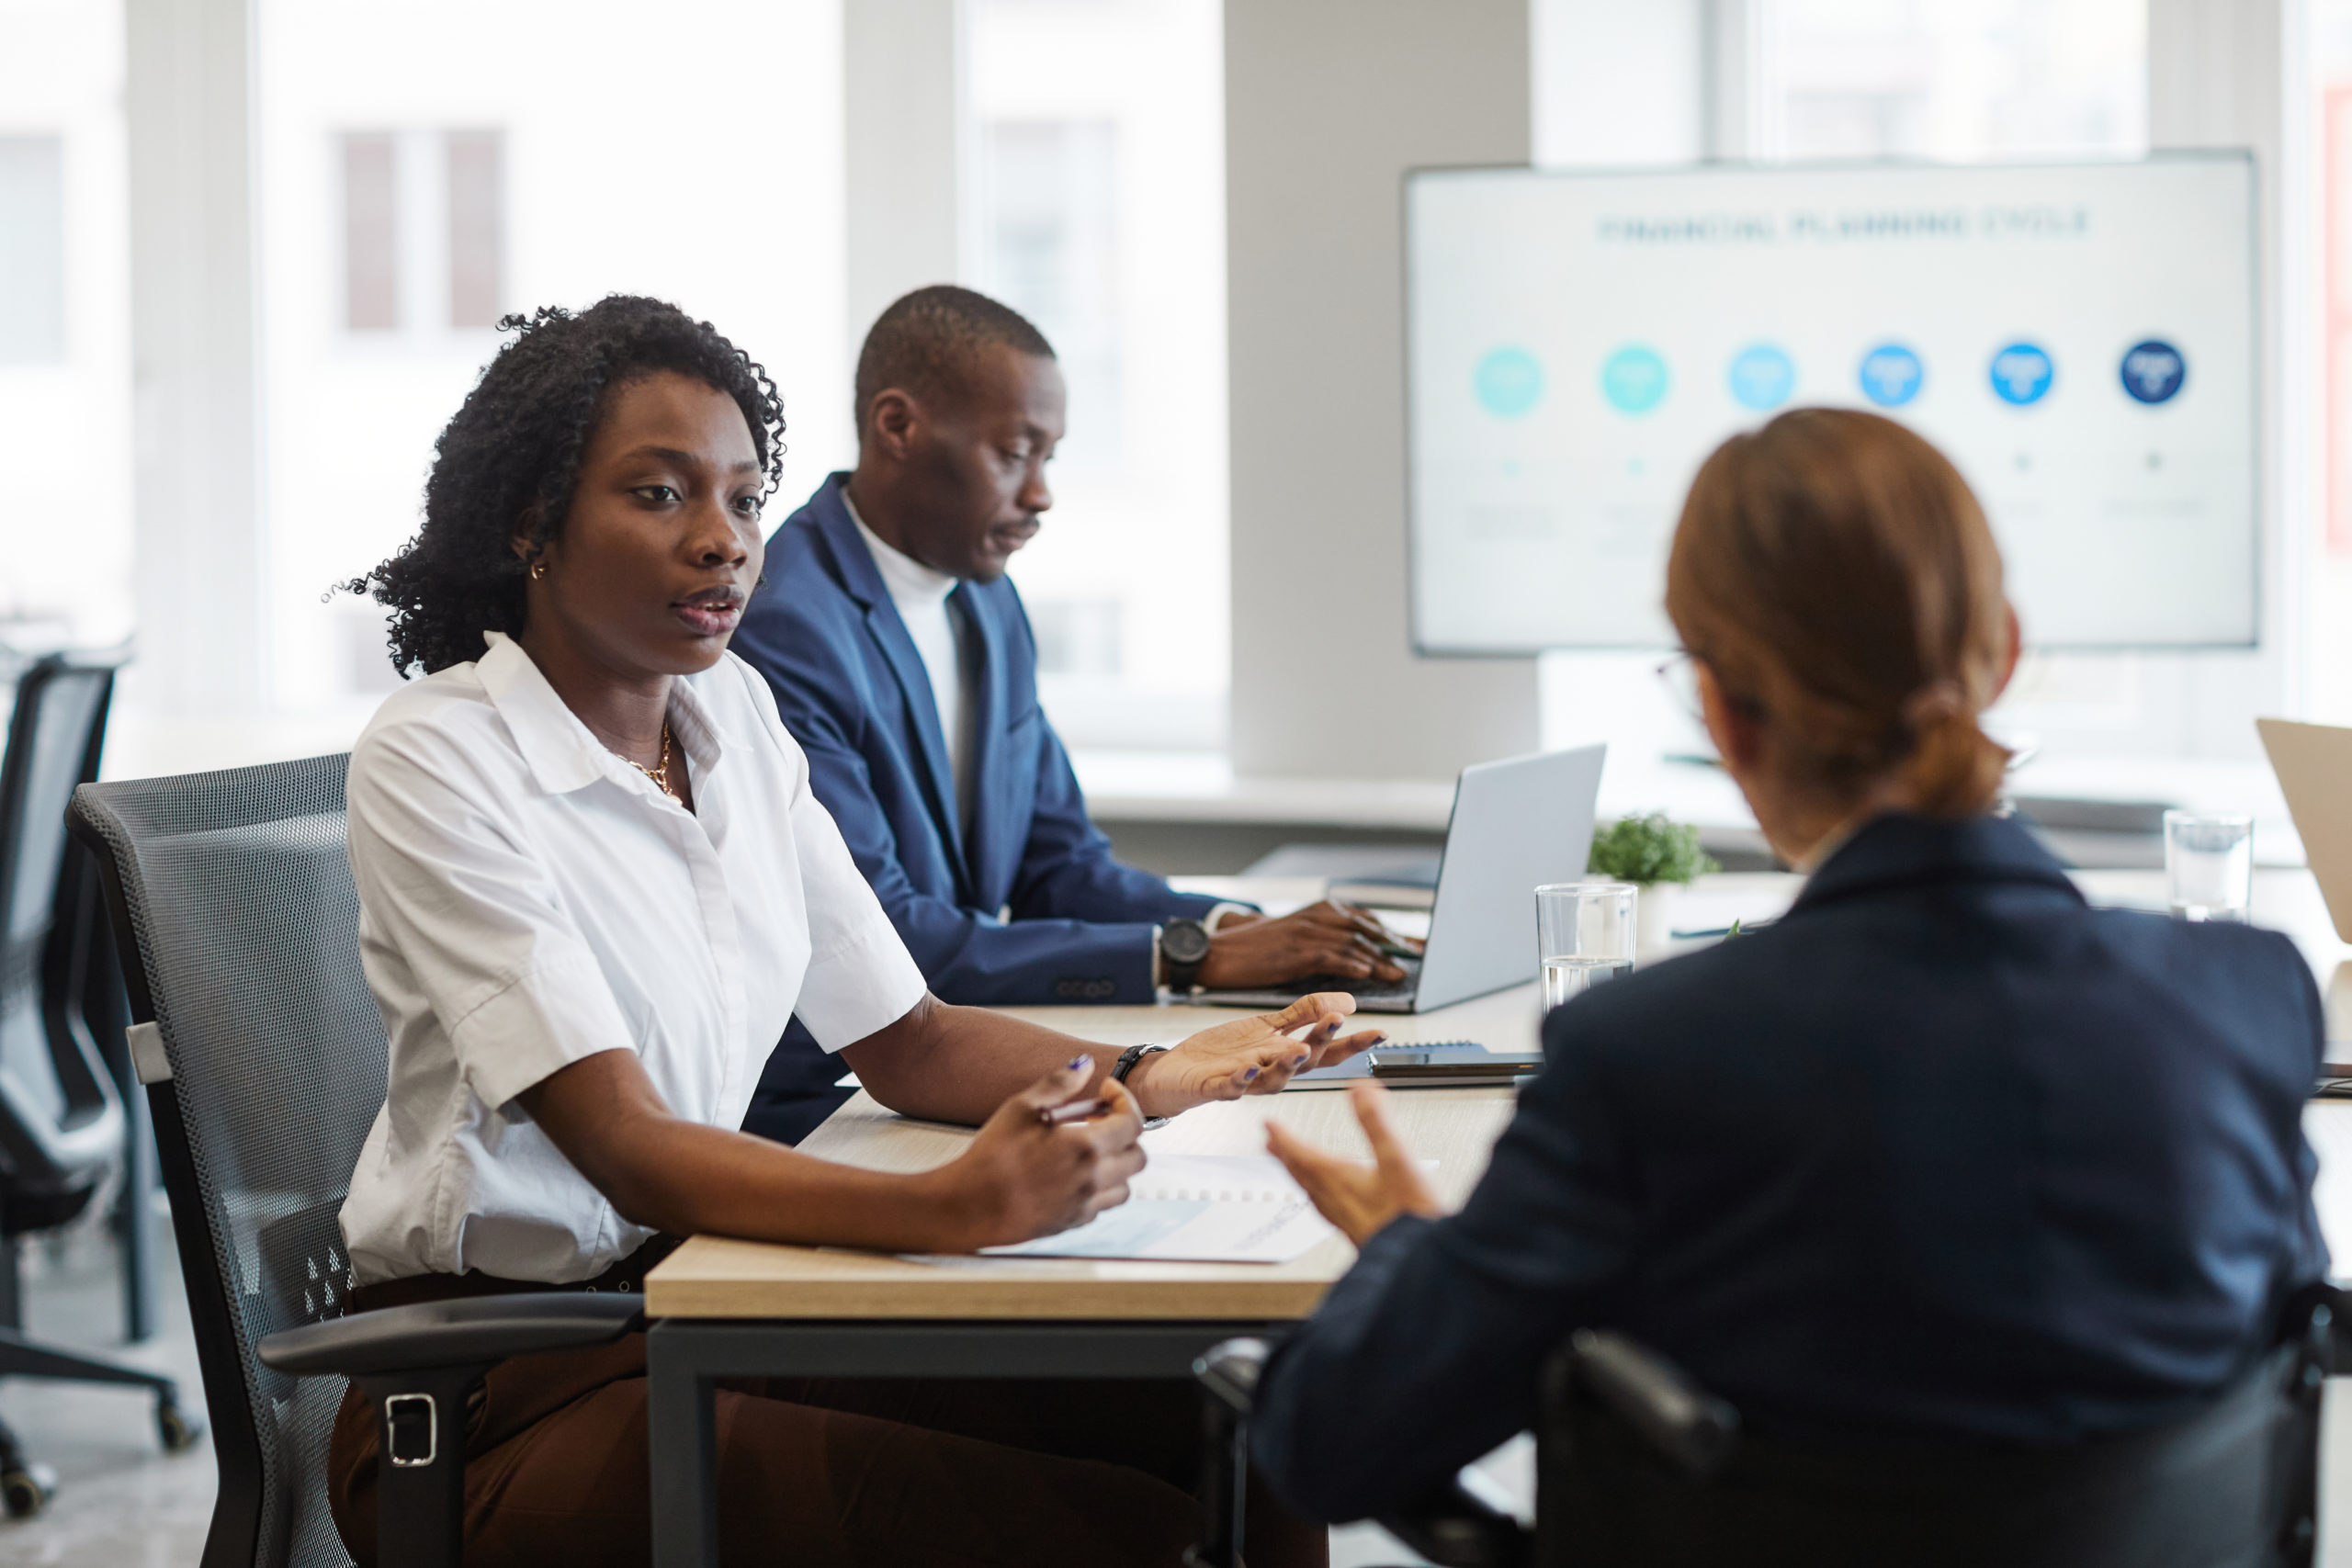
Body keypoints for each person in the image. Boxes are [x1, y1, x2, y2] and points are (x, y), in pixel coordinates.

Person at [330, 295, 1363, 1568]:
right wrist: (950, 1207)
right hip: (502, 1391)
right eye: (661, 497)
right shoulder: (441, 754)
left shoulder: (732, 719)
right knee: (1119, 1535)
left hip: (711, 1300)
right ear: (532, 522)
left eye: (745, 500)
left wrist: (1150, 1077)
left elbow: (909, 1036)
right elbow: (628, 1144)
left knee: (1244, 1423)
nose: (723, 543)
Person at [1246, 407, 2327, 1524]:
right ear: (2003, 651)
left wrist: (1407, 1264)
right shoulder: (2244, 998)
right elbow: (2286, 1343)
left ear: (1721, 711)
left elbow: (1325, 1448)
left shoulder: (1650, 1056)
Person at [729, 285, 1415, 1142]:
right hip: (833, 1104)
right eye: (1016, 452)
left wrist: (1231, 927)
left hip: (957, 1072)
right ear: (897, 426)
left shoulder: (987, 602)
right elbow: (893, 933)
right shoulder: (786, 619)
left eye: (1050, 456)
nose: (1043, 493)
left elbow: (1060, 863)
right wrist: (1188, 960)